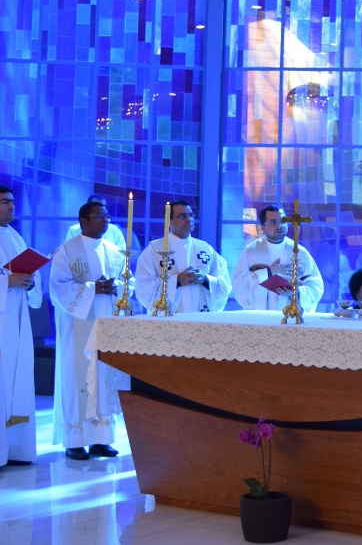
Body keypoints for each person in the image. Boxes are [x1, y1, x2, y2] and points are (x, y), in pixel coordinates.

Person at [49, 200, 134, 460]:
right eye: (99, 216)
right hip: (78, 326)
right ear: (83, 221)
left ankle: (101, 439)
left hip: (107, 323)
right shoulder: (67, 250)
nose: (105, 220)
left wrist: (117, 287)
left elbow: (129, 283)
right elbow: (58, 288)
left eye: (107, 216)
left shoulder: (115, 251)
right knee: (77, 377)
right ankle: (75, 441)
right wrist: (92, 288)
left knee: (104, 374)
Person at [0, 185, 42, 466]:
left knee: (19, 378)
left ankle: (16, 449)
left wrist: (28, 282)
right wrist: (6, 282)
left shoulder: (15, 237)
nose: (12, 206)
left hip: (16, 321)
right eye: (5, 202)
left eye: (13, 202)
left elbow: (29, 279)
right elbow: (8, 278)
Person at [135, 201, 231, 314]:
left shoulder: (205, 248)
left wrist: (205, 279)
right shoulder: (154, 250)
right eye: (182, 216)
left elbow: (224, 283)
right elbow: (143, 286)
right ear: (169, 221)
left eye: (191, 215)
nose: (188, 219)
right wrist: (177, 281)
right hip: (169, 319)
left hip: (202, 317)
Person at [231, 205, 324, 313]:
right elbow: (239, 285)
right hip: (258, 317)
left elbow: (316, 287)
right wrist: (269, 272)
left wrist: (295, 293)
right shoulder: (251, 251)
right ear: (262, 227)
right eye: (273, 222)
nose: (279, 225)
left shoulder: (300, 253)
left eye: (282, 221)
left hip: (290, 317)